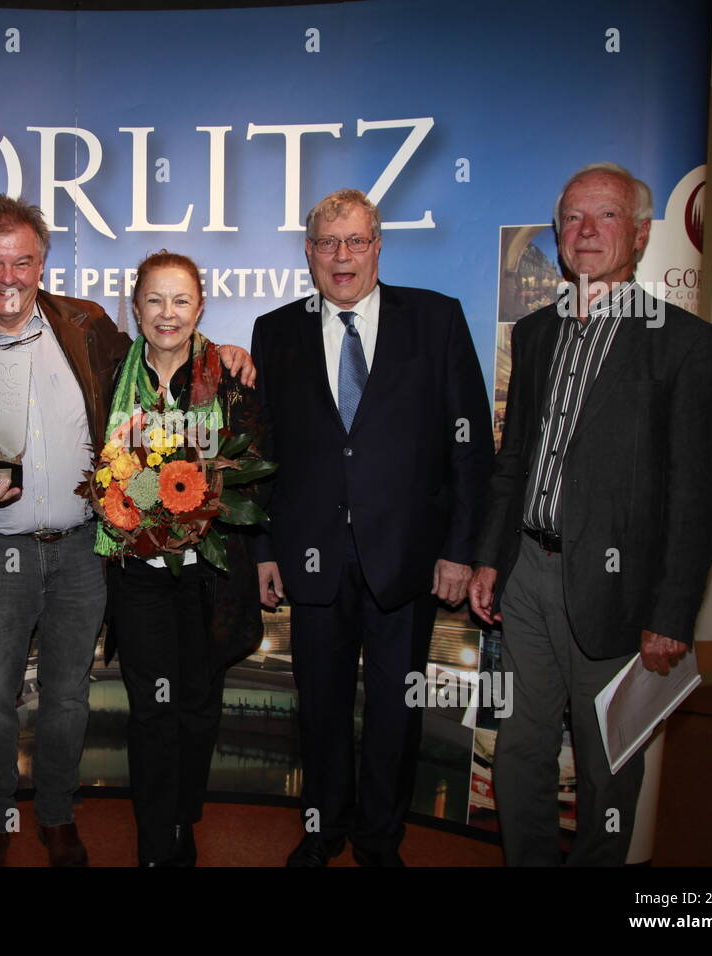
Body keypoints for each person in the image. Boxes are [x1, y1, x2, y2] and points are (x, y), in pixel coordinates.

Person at [0, 194, 254, 867]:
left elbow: (165, 361)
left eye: (23, 261)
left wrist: (225, 353)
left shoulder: (89, 325)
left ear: (41, 264)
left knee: (69, 698)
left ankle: (59, 815)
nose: (8, 277)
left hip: (80, 550)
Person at [468, 163, 712, 865]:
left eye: (606, 216)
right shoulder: (534, 335)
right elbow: (514, 457)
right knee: (520, 745)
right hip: (526, 576)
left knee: (607, 760)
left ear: (640, 234)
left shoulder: (685, 345)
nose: (586, 232)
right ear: (556, 235)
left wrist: (673, 612)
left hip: (618, 590)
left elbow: (697, 494)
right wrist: (491, 555)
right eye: (573, 219)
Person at [251, 188, 492, 867]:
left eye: (356, 240)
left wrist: (459, 551)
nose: (342, 256)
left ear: (380, 246)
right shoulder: (277, 331)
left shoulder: (437, 321)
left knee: (395, 712)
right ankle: (324, 830)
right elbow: (260, 454)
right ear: (308, 253)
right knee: (319, 710)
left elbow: (469, 448)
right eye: (327, 243)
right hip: (312, 558)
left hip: (408, 560)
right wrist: (264, 550)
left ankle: (381, 839)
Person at [98, 251, 267, 866]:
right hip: (139, 577)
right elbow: (101, 466)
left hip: (210, 577)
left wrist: (201, 502)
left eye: (181, 301)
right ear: (135, 307)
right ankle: (154, 837)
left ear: (200, 308)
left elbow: (252, 472)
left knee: (198, 707)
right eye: (154, 300)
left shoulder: (231, 379)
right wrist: (143, 503)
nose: (167, 314)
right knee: (153, 709)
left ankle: (182, 817)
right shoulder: (112, 373)